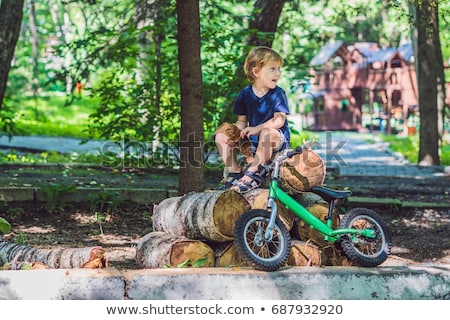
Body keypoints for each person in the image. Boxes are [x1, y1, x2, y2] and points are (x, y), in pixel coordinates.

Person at [215, 46, 290, 193]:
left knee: (268, 132)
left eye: (279, 69)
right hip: (254, 141)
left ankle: (253, 173)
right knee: (221, 134)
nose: (278, 73)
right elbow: (242, 121)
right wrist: (238, 133)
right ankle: (235, 172)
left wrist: (257, 129)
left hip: (276, 139)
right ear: (256, 72)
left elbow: (279, 120)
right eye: (273, 69)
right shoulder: (245, 94)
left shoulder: (278, 93)